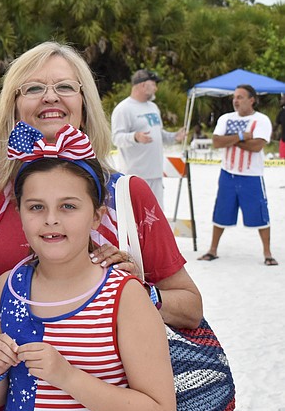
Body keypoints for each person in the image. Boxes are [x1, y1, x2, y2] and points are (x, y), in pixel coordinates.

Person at [0, 42, 201, 411]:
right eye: (34, 87)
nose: (50, 96)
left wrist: (137, 296)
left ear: (85, 102)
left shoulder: (125, 195)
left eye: (65, 86)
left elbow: (189, 305)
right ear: (14, 104)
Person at [0, 123, 176, 411]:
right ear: (20, 213)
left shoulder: (124, 297)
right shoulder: (7, 289)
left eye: (68, 206)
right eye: (36, 207)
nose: (51, 219)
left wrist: (67, 376)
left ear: (97, 216)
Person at [198, 84, 277, 265]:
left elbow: (257, 146)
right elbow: (217, 142)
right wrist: (242, 136)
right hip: (228, 174)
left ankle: (267, 253)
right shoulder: (226, 118)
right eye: (235, 97)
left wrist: (230, 140)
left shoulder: (261, 120)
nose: (236, 100)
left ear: (252, 100)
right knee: (221, 212)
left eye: (240, 97)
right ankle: (212, 250)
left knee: (260, 214)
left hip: (252, 176)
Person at [111, 69, 186, 208]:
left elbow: (159, 134)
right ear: (143, 85)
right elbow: (116, 138)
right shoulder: (123, 109)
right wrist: (135, 136)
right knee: (136, 219)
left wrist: (175, 136)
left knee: (156, 217)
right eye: (154, 84)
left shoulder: (153, 107)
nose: (156, 88)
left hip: (156, 175)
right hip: (134, 177)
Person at [275, 94, 285, 159]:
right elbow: (275, 125)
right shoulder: (281, 112)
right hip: (283, 140)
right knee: (283, 162)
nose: (280, 101)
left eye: (282, 99)